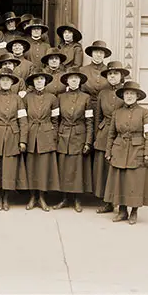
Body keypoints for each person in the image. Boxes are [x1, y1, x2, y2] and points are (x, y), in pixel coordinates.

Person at [104, 81, 148, 225]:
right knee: (120, 181)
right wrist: (108, 151)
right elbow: (111, 134)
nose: (129, 96)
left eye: (132, 94)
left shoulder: (144, 112)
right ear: (123, 96)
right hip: (119, 149)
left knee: (135, 182)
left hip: (137, 150)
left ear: (137, 96)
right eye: (126, 93)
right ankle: (122, 211)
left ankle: (134, 211)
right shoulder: (117, 113)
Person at [0, 68, 28, 211]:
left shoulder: (18, 99)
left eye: (8, 80)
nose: (5, 82)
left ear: (12, 82)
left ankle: (7, 198)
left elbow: (23, 121)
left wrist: (23, 140)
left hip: (12, 136)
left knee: (9, 168)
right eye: (3, 80)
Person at [53, 67, 93, 212]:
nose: (74, 81)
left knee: (77, 169)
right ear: (67, 81)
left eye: (76, 78)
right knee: (63, 168)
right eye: (71, 78)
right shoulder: (60, 97)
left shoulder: (86, 98)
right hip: (63, 136)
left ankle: (77, 199)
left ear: (80, 81)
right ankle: (64, 198)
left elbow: (89, 121)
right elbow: (56, 120)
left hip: (79, 136)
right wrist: (55, 137)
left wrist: (88, 141)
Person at [93, 61, 128, 214]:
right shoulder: (102, 93)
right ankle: (107, 202)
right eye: (110, 74)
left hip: (120, 135)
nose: (112, 76)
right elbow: (97, 117)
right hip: (104, 132)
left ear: (121, 76)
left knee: (119, 169)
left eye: (115, 74)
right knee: (104, 170)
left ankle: (121, 203)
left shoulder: (127, 93)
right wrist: (95, 136)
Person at [23, 67, 60, 211]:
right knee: (31, 167)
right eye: (36, 79)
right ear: (33, 82)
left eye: (41, 79)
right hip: (31, 134)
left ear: (45, 81)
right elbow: (23, 118)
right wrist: (24, 138)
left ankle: (43, 198)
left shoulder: (52, 98)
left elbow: (56, 120)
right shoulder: (27, 98)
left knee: (44, 168)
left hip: (46, 135)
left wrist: (53, 136)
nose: (39, 82)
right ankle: (32, 197)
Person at [80, 40, 113, 110]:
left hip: (105, 108)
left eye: (101, 53)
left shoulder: (109, 72)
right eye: (96, 52)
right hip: (86, 107)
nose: (98, 55)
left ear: (104, 55)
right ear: (91, 54)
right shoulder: (82, 70)